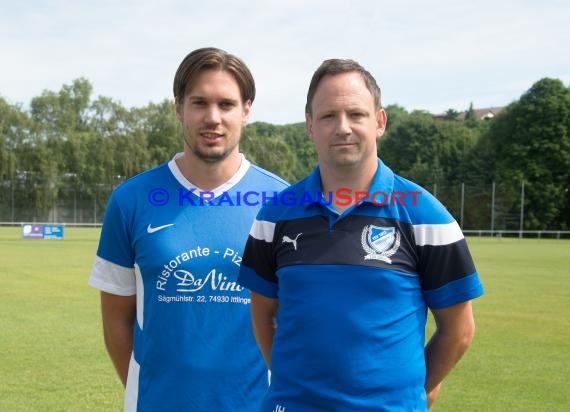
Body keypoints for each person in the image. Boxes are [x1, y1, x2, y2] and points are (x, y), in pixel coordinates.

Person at [238, 59, 484, 411]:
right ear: (310, 126)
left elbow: (459, 330)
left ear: (379, 122)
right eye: (327, 116)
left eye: (356, 114)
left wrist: (409, 393)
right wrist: (293, 384)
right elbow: (263, 314)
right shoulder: (275, 216)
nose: (342, 127)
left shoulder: (426, 217)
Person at [88, 47, 288, 411]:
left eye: (226, 104)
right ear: (178, 107)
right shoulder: (131, 200)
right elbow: (117, 322)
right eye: (199, 103)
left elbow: (294, 320)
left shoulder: (282, 202)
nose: (212, 118)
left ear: (246, 111)